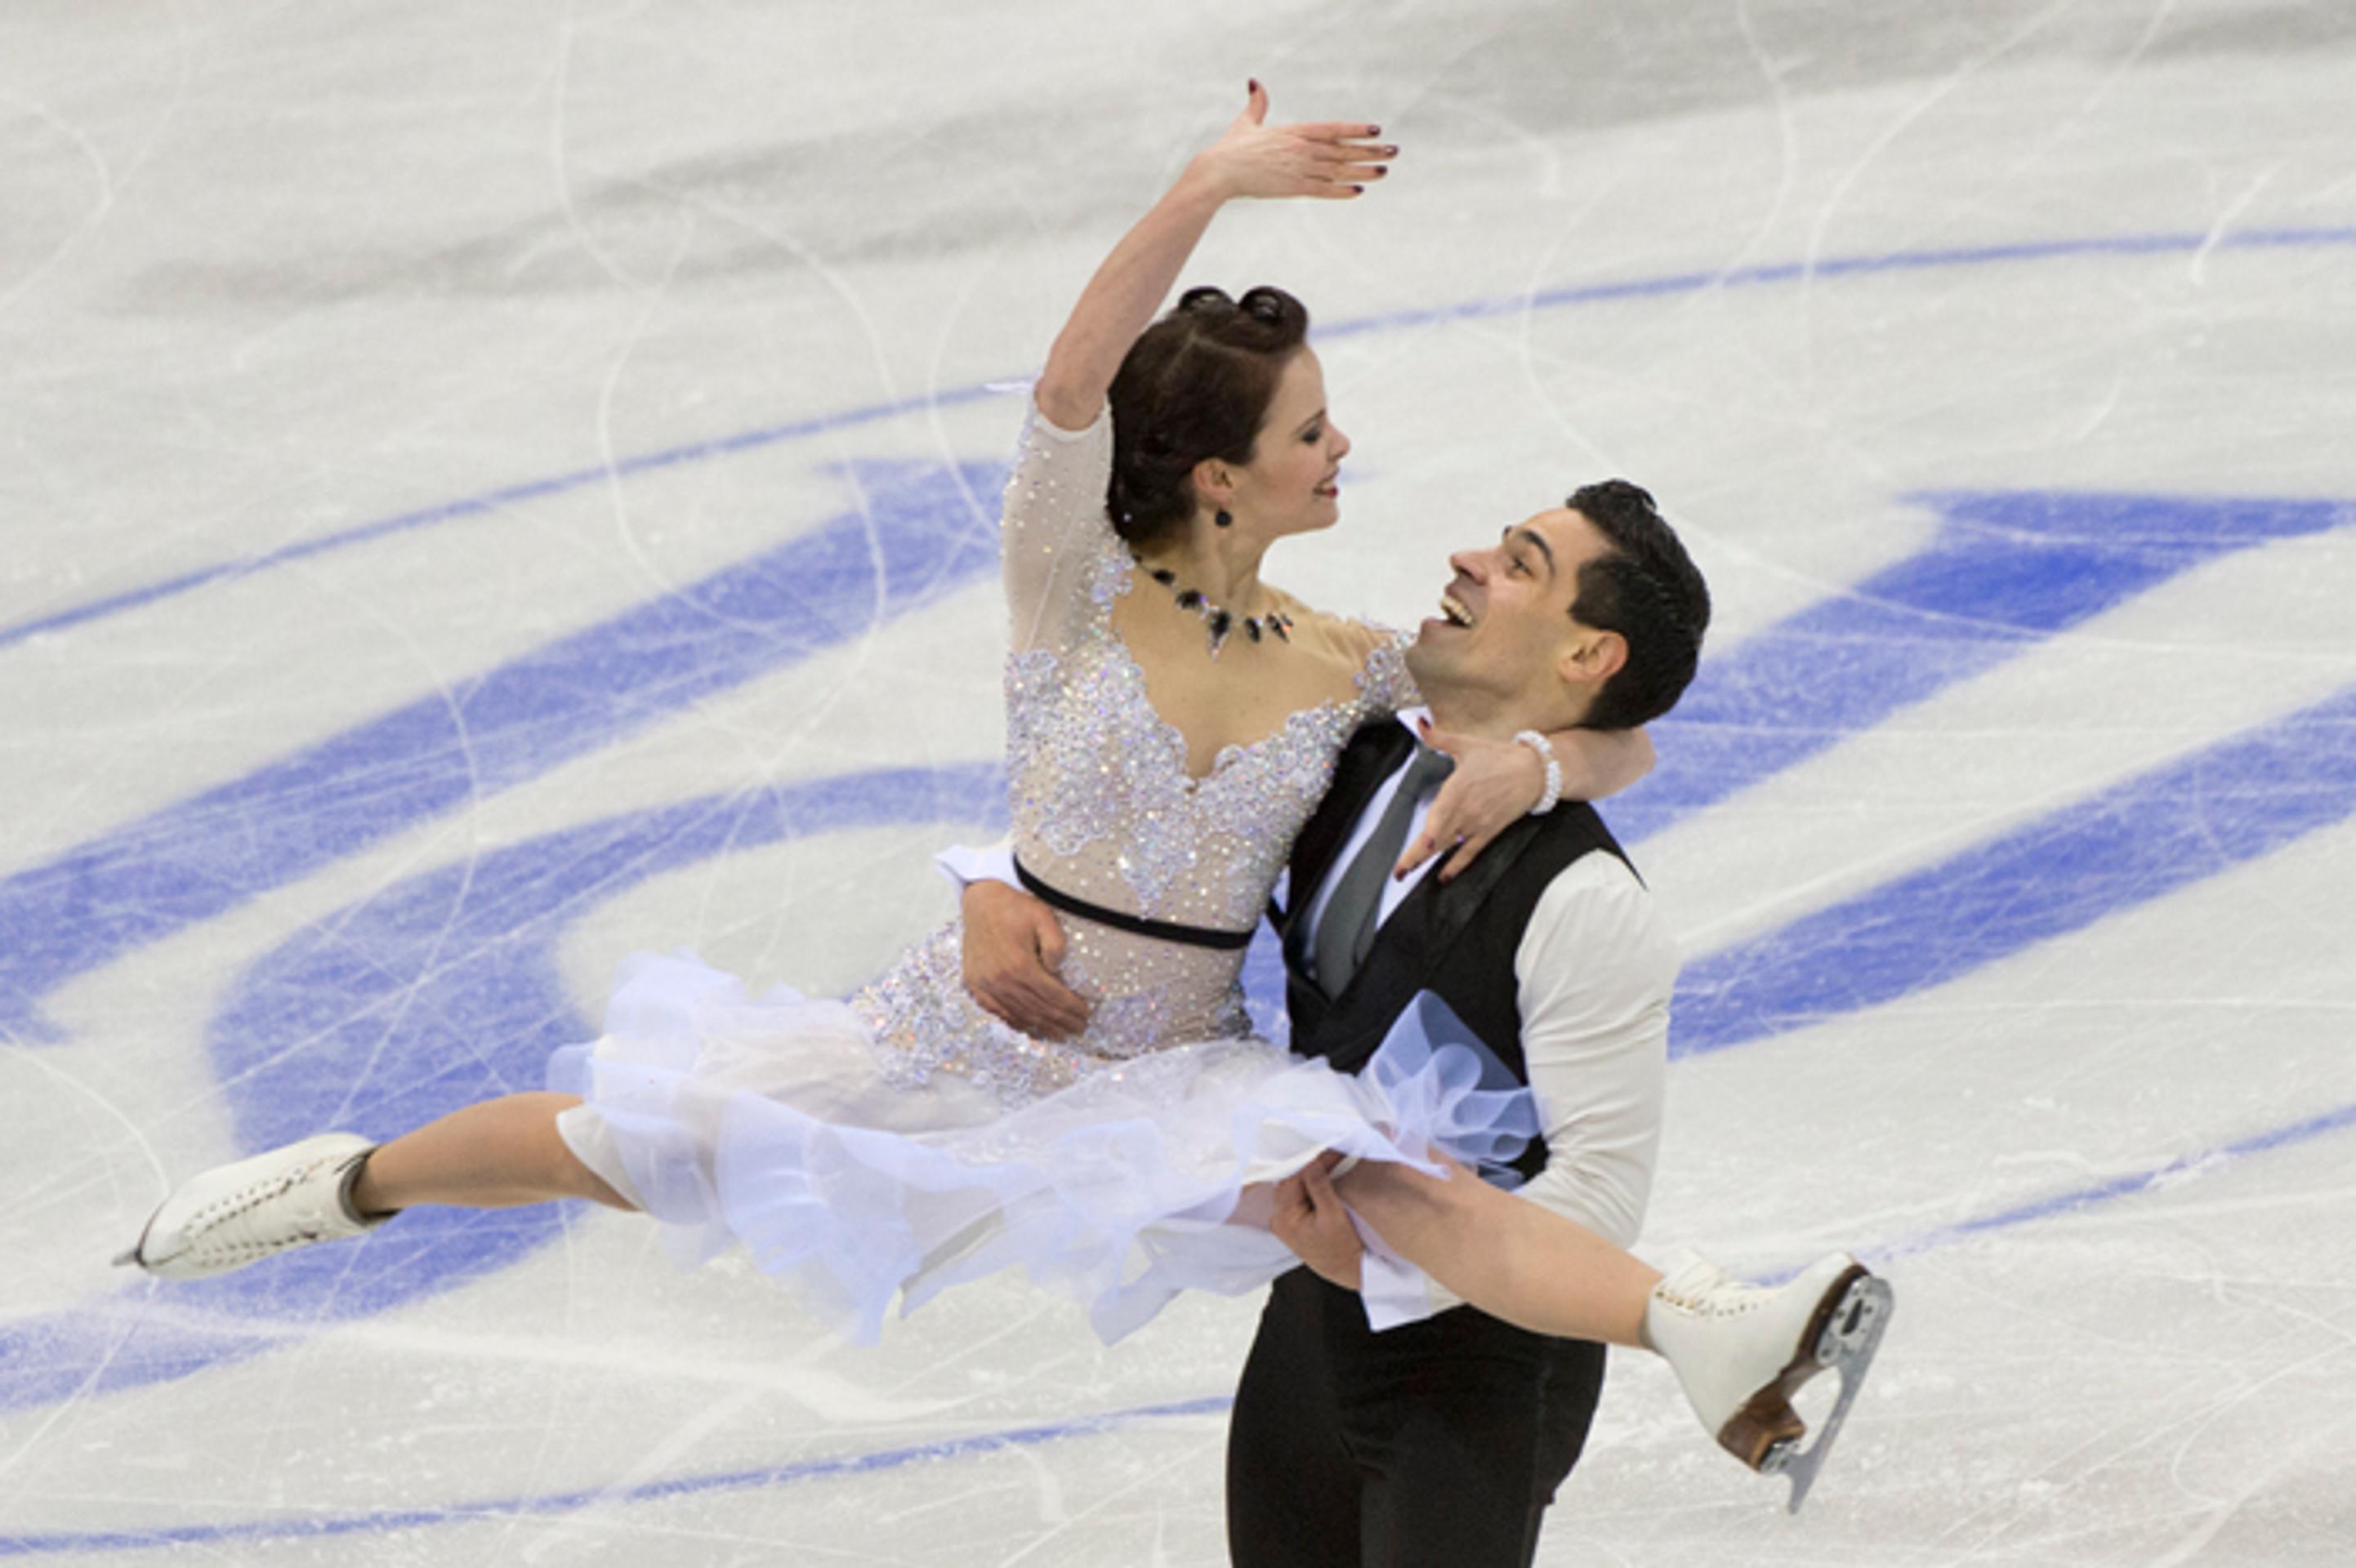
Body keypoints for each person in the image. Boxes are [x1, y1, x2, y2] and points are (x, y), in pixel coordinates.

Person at [115, 87, 1649, 1345]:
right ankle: (348, 1183)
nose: (1342, 447)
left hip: (1170, 1078)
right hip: (944, 1038)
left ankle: (1694, 1328)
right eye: (1310, 430)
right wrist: (1203, 186)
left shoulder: (1350, 658)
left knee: (1380, 1207)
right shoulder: (1073, 586)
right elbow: (1067, 389)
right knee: (623, 1147)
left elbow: (1629, 736)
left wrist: (1531, 758)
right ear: (1216, 474)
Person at [958, 481, 1892, 1548]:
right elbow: (1137, 830)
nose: (1468, 561)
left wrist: (1388, 1267)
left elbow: (1598, 1200)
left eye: (1520, 563)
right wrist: (993, 881)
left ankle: (1714, 1328)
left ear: (1588, 656)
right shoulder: (1345, 752)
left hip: (1484, 1368)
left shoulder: (1587, 906)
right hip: (1310, 1335)